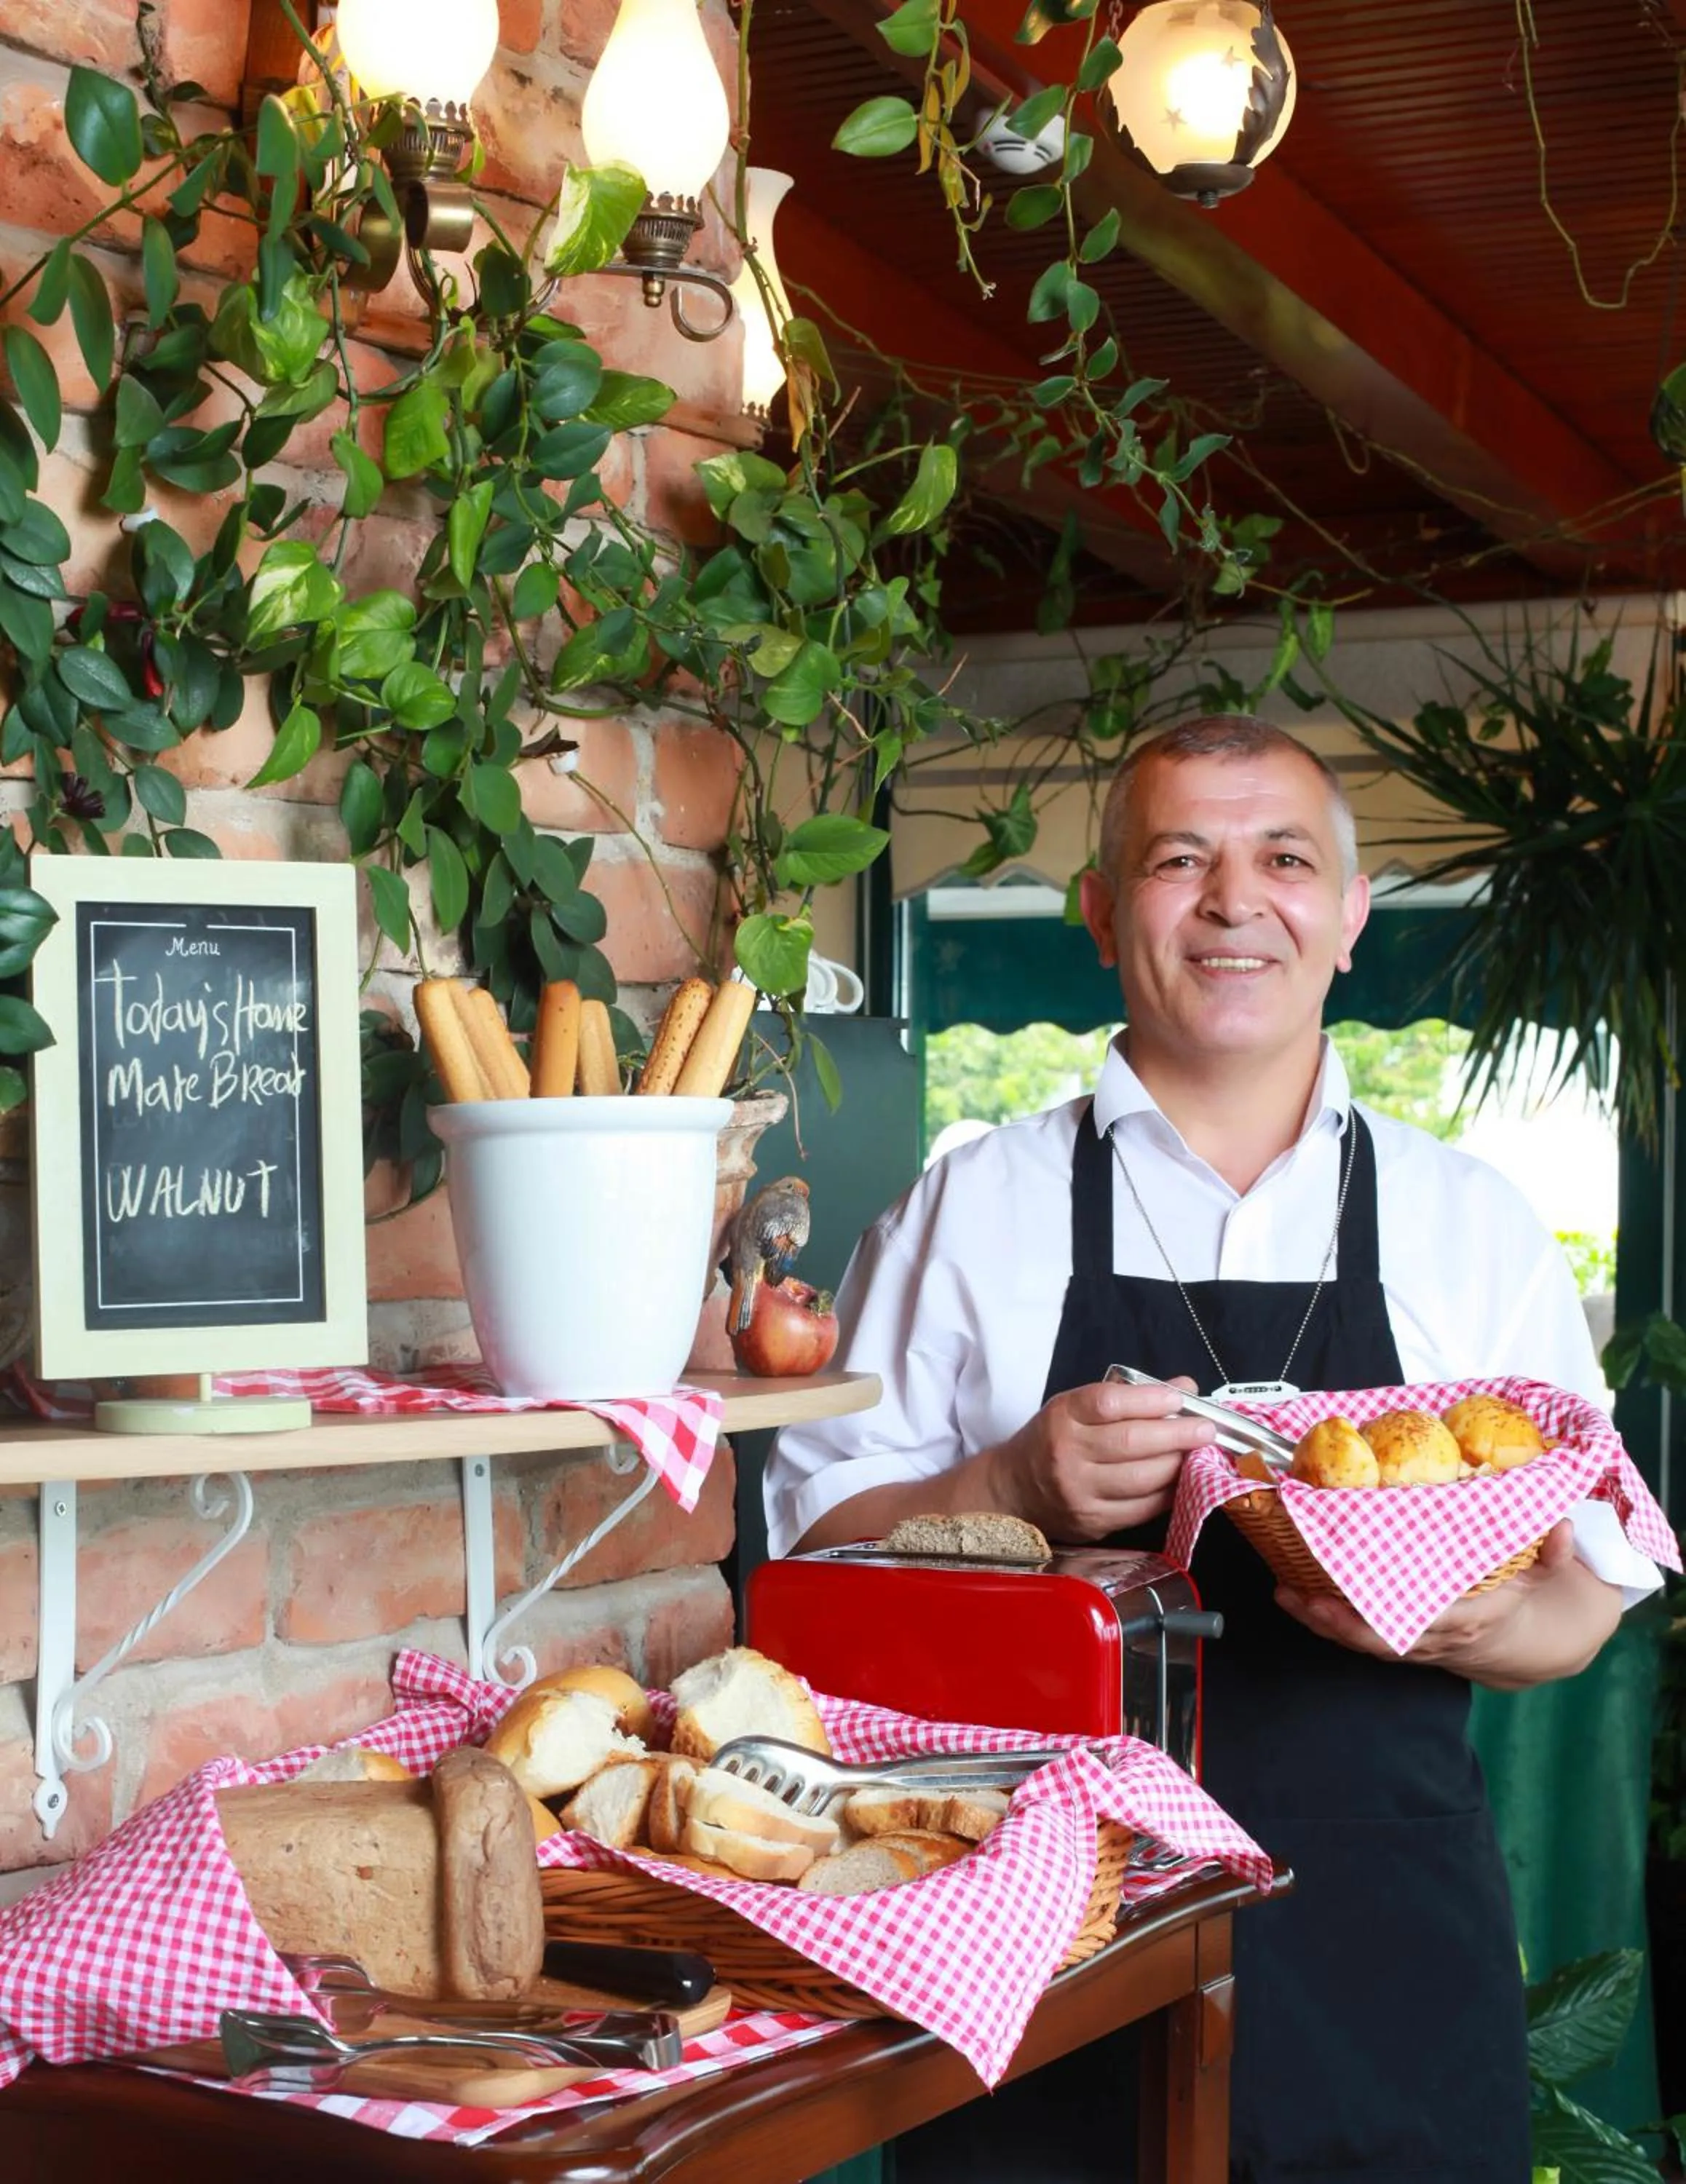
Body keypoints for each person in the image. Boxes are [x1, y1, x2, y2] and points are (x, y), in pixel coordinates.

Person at [764, 716, 1662, 2184]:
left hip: (1381, 1946)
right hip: (1036, 1954)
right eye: (1182, 860)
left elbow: (1590, 1596)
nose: (1236, 901)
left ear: (1352, 915)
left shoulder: (1468, 1222)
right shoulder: (968, 1209)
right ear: (1107, 914)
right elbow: (813, 1558)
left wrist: (1484, 1620)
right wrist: (1005, 1489)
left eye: (1285, 860)